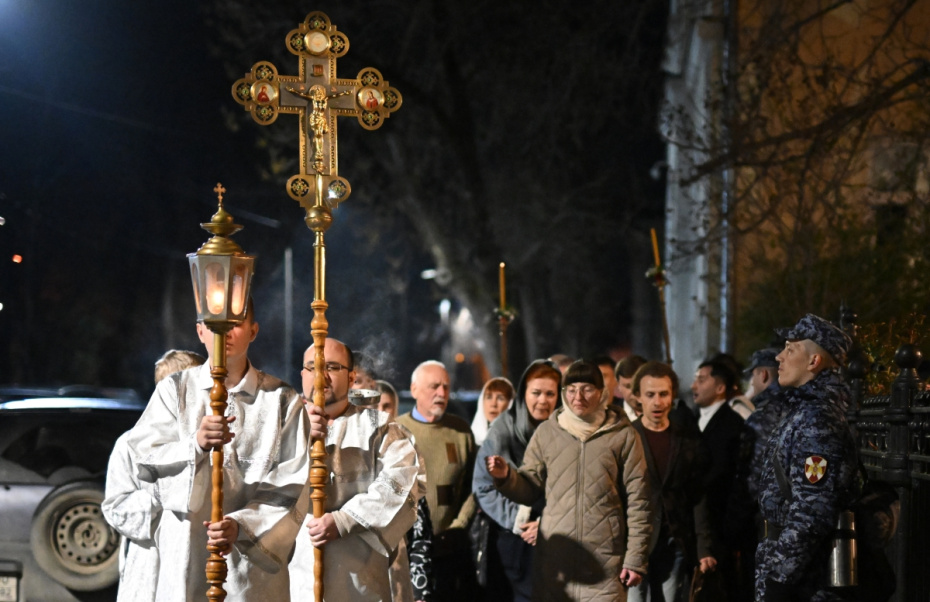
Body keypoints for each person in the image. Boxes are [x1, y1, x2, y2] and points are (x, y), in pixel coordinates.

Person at [120, 300, 310, 601]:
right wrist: (194, 444)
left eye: (235, 322)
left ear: (253, 330)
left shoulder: (282, 400)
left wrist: (243, 524)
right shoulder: (174, 390)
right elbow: (143, 460)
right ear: (199, 331)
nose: (224, 332)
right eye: (213, 324)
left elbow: (294, 483)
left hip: (248, 569)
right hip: (185, 556)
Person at [486, 360, 653, 601]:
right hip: (556, 566)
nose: (578, 396)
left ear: (601, 392)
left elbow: (641, 501)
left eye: (587, 389)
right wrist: (506, 478)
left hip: (605, 566)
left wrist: (636, 559)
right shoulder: (548, 432)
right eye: (571, 389)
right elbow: (530, 488)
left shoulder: (624, 436)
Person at [291, 338, 422, 600]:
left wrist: (344, 520)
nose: (321, 376)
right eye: (312, 367)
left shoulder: (381, 427)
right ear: (302, 374)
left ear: (351, 378)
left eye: (331, 367)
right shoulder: (284, 428)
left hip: (359, 582)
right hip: (296, 578)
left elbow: (401, 483)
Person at [756, 315, 858, 602]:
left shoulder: (818, 419)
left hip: (803, 582)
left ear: (814, 362)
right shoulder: (804, 412)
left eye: (790, 349)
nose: (779, 356)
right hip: (787, 564)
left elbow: (811, 512)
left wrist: (780, 581)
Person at [103, 350, 207, 602]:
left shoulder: (214, 440)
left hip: (202, 566)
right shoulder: (131, 443)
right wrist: (164, 497)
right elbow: (115, 506)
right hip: (150, 568)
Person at [472, 360, 561, 602]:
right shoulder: (503, 430)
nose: (542, 400)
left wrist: (546, 523)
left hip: (560, 537)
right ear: (524, 394)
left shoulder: (565, 431)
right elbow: (483, 486)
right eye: (536, 393)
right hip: (516, 540)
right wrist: (521, 522)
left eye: (550, 394)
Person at [628, 361, 716, 602]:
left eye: (663, 394)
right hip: (635, 543)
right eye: (650, 395)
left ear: (672, 396)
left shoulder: (687, 440)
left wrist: (703, 548)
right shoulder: (625, 437)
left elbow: (698, 496)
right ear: (638, 397)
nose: (657, 402)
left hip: (675, 539)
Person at [396, 361, 478, 601]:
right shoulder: (397, 430)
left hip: (450, 550)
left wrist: (459, 526)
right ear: (414, 391)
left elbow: (475, 486)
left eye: (446, 387)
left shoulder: (460, 431)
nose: (442, 393)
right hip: (406, 551)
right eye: (434, 386)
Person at [691, 358, 747, 600]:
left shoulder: (732, 425)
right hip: (697, 525)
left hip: (720, 525)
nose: (694, 385)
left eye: (702, 379)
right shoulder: (691, 419)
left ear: (720, 387)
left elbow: (726, 475)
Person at [471, 376, 515, 446]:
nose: (493, 404)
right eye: (489, 397)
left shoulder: (517, 441)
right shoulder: (470, 439)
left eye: (500, 398)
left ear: (510, 403)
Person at [615, 354, 647, 422]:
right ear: (619, 386)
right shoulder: (608, 419)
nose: (635, 392)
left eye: (639, 385)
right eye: (628, 386)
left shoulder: (670, 418)